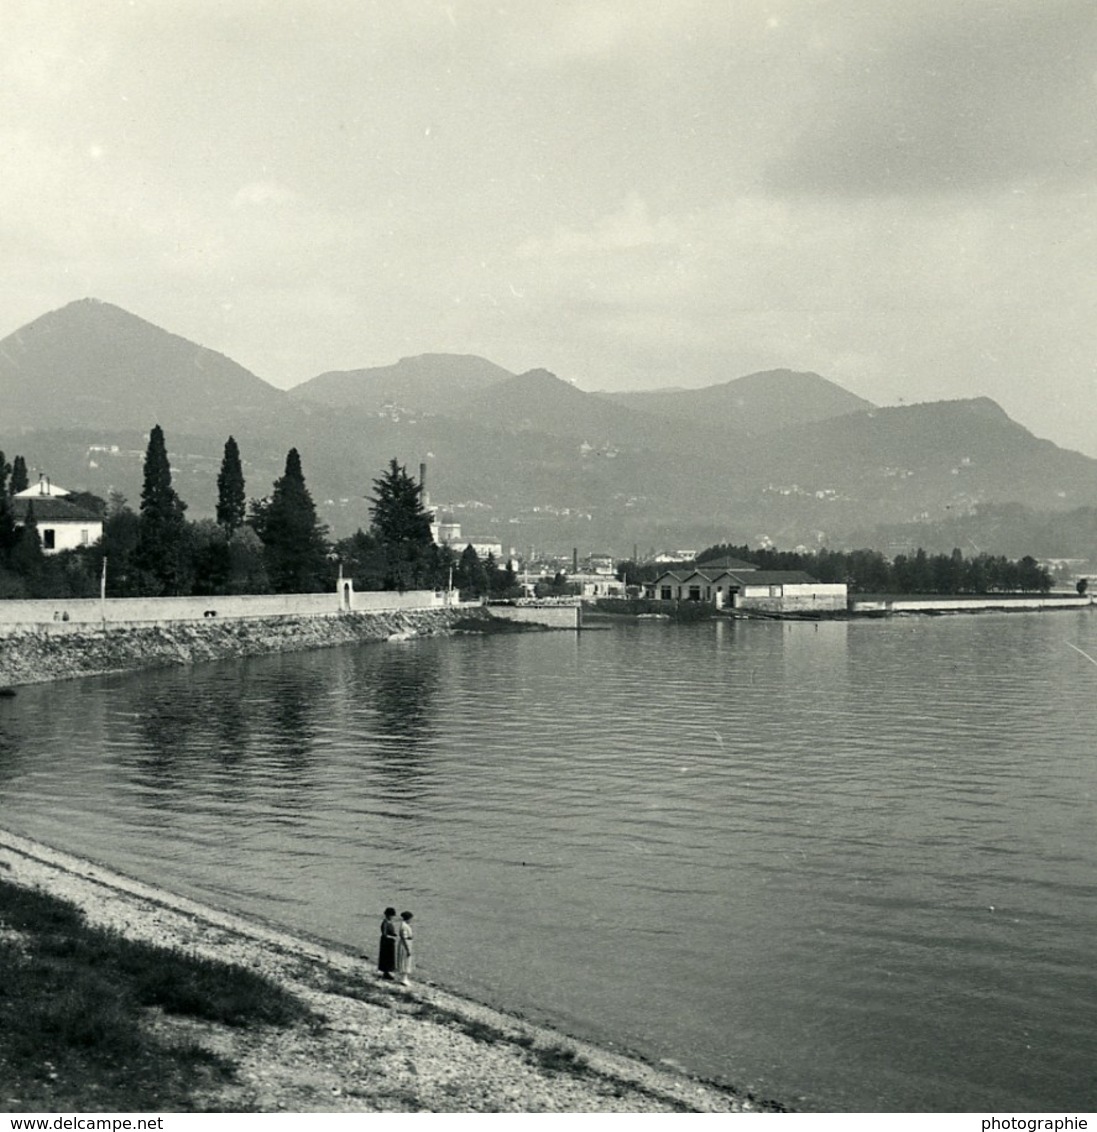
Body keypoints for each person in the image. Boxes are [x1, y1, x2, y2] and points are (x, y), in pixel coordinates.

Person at [378, 907, 398, 979]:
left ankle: (388, 971)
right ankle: (386, 972)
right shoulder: (385, 923)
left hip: (390, 942)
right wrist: (392, 937)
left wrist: (394, 935)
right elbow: (384, 934)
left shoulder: (389, 922)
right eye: (391, 915)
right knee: (386, 957)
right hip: (386, 942)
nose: (392, 917)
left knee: (390, 957)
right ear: (388, 915)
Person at [396, 911, 414, 985]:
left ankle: (405, 977)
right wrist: (408, 949)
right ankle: (404, 978)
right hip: (405, 944)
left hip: (407, 943)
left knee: (406, 960)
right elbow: (404, 937)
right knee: (404, 960)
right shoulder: (404, 926)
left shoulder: (405, 925)